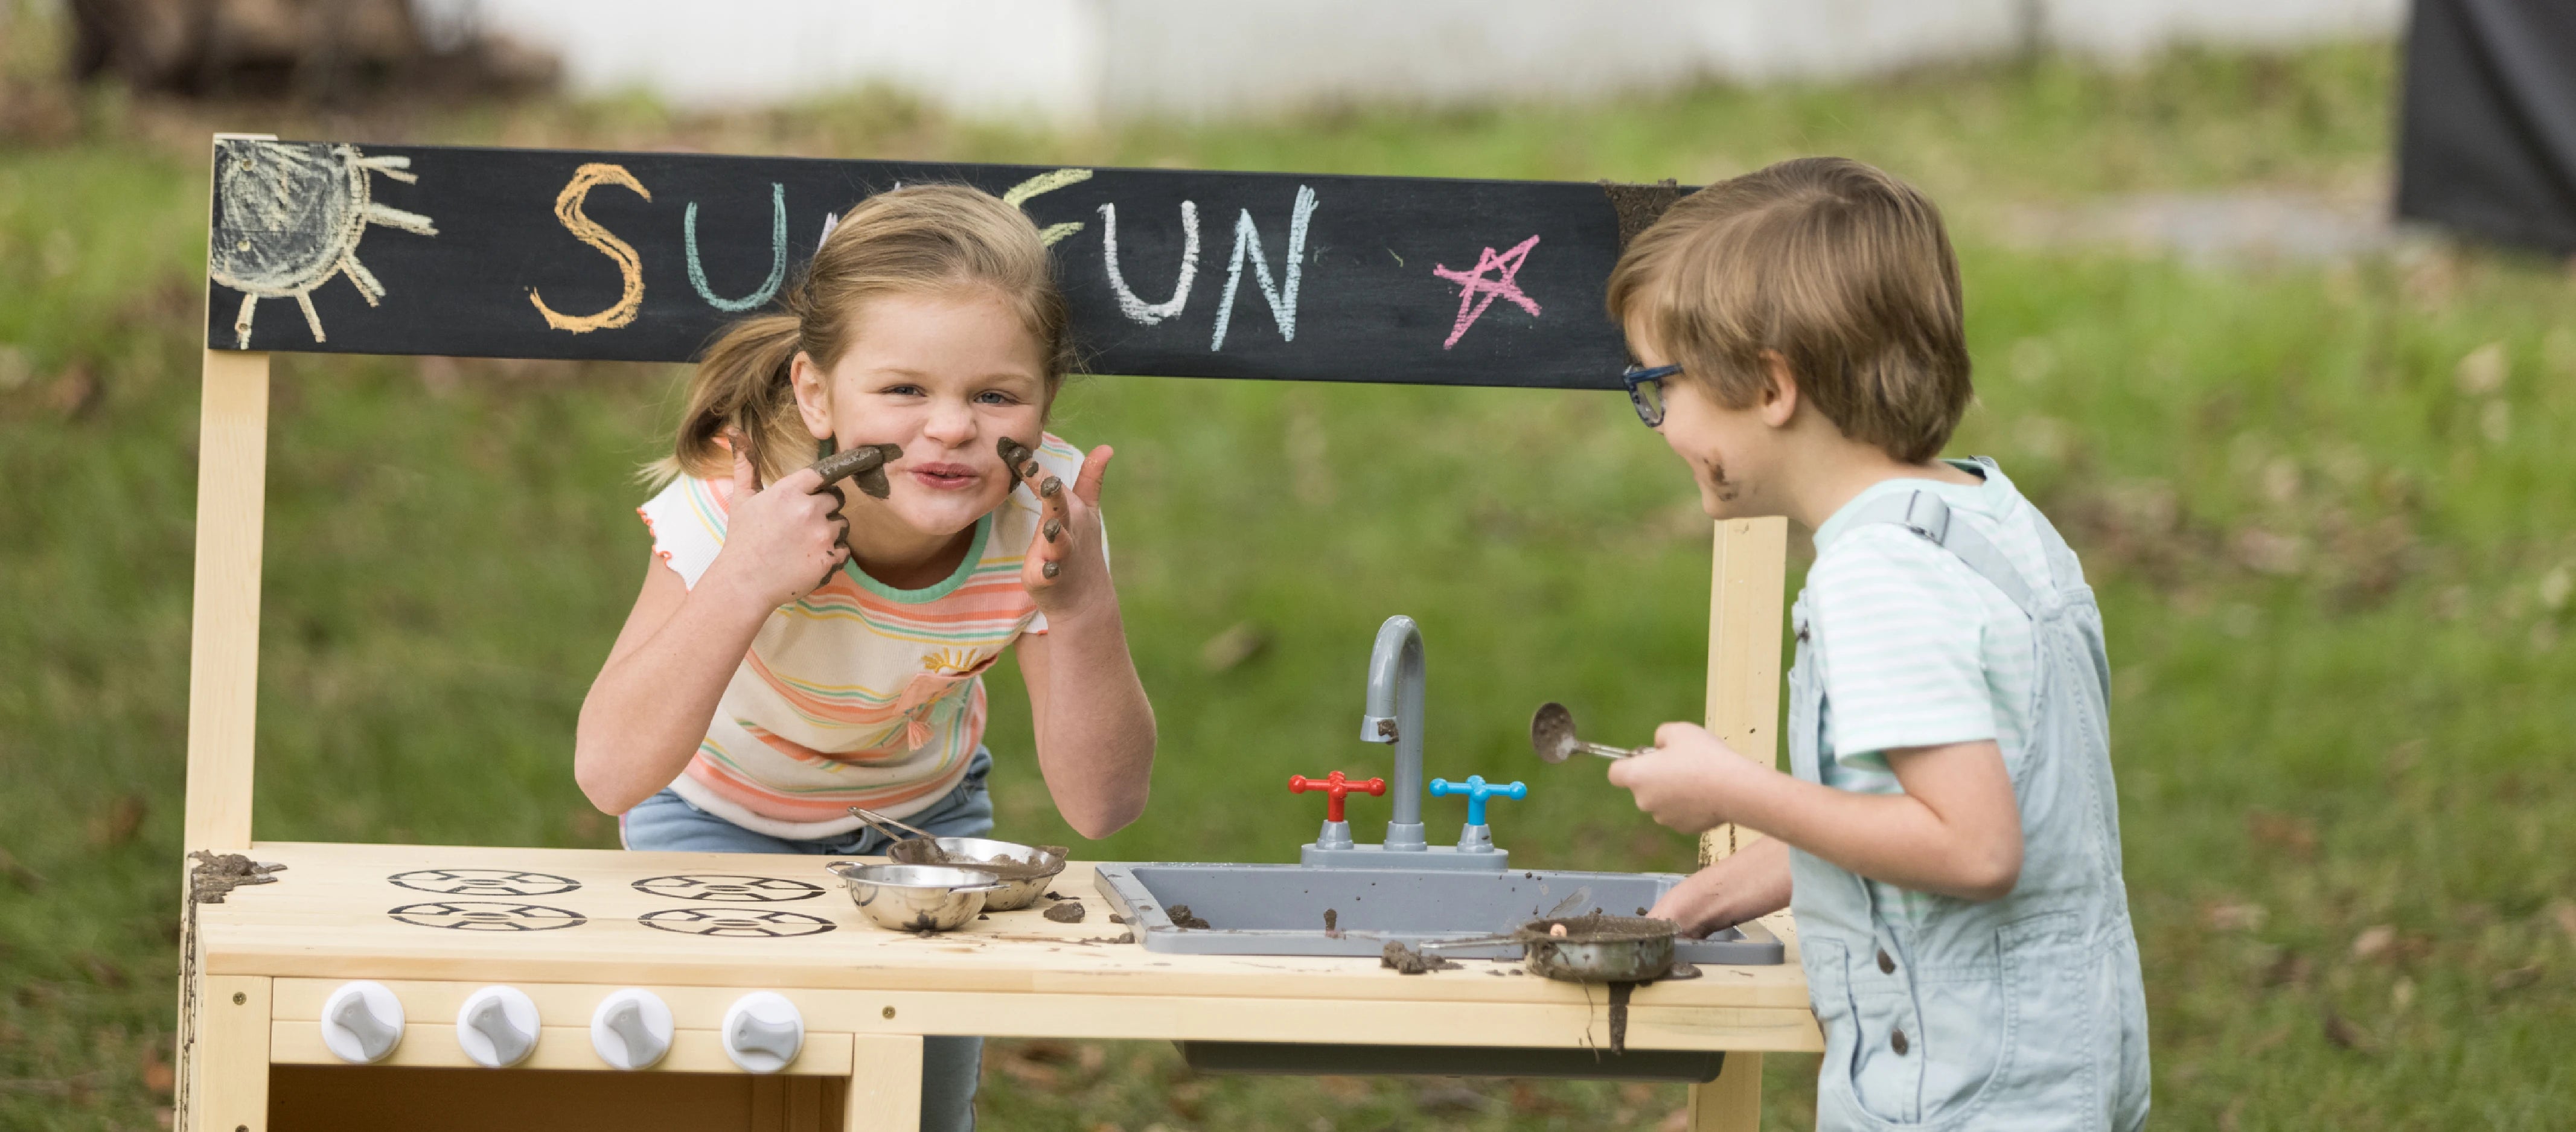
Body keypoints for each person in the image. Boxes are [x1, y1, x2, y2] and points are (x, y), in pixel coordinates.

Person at [574, 184, 1156, 1131]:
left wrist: (1084, 607)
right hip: (718, 820)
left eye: (995, 395)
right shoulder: (737, 502)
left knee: (916, 1117)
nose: (952, 428)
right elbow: (609, 774)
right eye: (903, 390)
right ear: (818, 393)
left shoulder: (1041, 518)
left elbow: (1103, 804)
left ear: (1045, 401)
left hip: (924, 831)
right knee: (740, 1105)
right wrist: (744, 579)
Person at [1600, 157, 2149, 1130]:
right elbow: (1917, 806)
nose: (1661, 422)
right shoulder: (1990, 519)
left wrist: (1730, 789)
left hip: (1956, 1098)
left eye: (1660, 387)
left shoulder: (1874, 580)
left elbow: (1974, 846)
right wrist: (1708, 898)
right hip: (2058, 1076)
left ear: (1770, 386)